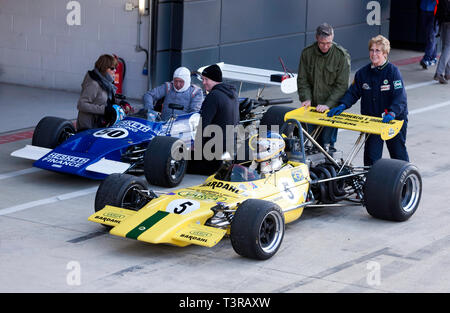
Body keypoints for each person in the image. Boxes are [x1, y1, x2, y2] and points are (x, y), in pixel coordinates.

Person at [328, 35, 409, 167]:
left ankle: (407, 184)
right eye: (372, 50)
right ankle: (371, 184)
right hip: (373, 121)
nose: (374, 54)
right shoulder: (362, 73)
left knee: (398, 155)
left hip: (393, 120)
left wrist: (393, 113)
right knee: (371, 157)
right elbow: (353, 93)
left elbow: (400, 97)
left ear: (385, 53)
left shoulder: (393, 72)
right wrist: (342, 105)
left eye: (378, 51)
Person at [297, 23, 351, 152]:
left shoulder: (341, 56)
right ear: (316, 38)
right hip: (311, 107)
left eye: (329, 43)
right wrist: (306, 98)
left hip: (331, 109)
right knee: (307, 141)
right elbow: (302, 79)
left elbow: (342, 86)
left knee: (327, 144)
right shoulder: (307, 53)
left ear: (333, 38)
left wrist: (328, 105)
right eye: (322, 43)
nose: (325, 46)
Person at [190, 64, 239, 175]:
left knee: (179, 154)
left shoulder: (213, 96)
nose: (203, 82)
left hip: (212, 157)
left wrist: (195, 147)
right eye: (202, 79)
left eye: (206, 79)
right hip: (228, 155)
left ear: (215, 79)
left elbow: (204, 125)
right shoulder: (233, 94)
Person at [76, 54, 126, 131]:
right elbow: (81, 105)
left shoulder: (105, 82)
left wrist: (121, 102)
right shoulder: (94, 84)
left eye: (115, 68)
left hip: (100, 124)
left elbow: (106, 99)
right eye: (112, 68)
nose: (115, 71)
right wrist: (105, 110)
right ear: (104, 68)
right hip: (88, 127)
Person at [419, 0, 439, 69]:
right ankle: (433, 57)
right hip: (424, 8)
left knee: (431, 36)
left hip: (435, 12)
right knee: (428, 36)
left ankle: (426, 58)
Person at [434, 0, 450, 84]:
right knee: (448, 48)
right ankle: (439, 73)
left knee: (446, 48)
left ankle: (448, 73)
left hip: (443, 22)